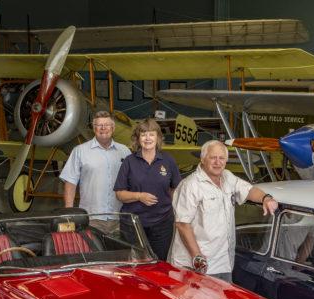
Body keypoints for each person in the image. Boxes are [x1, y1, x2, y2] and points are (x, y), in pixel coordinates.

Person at [168, 140, 278, 282]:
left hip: (223, 263)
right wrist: (198, 258)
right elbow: (183, 224)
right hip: (196, 265)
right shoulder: (190, 185)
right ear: (202, 159)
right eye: (213, 157)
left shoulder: (228, 177)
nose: (217, 162)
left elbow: (249, 190)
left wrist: (266, 198)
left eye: (221, 158)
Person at [114, 119, 181, 260]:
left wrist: (170, 208)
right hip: (133, 224)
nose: (148, 138)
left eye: (151, 134)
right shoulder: (129, 161)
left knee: (159, 263)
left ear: (158, 138)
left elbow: (176, 189)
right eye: (143, 134)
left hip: (162, 224)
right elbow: (119, 194)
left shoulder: (168, 161)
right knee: (134, 264)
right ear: (138, 139)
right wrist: (139, 196)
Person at [60, 111, 131, 231]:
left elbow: (133, 181)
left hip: (120, 217)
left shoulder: (125, 151)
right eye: (99, 125)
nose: (103, 128)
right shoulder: (80, 151)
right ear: (94, 128)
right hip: (91, 218)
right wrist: (69, 213)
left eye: (107, 125)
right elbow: (70, 183)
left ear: (113, 128)